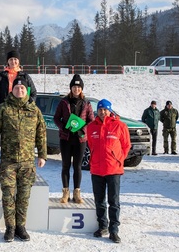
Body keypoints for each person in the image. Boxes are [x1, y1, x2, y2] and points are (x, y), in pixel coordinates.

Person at [0, 77, 47, 242]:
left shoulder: (34, 110)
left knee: (24, 196)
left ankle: (21, 226)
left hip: (28, 162)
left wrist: (42, 155)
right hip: (8, 162)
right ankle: (10, 228)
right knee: (8, 195)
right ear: (11, 90)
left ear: (26, 91)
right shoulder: (3, 109)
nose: (19, 91)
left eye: (22, 89)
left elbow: (41, 133)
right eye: (17, 88)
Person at [87, 99, 131, 244]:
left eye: (105, 109)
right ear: (97, 111)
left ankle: (114, 230)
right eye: (100, 109)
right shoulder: (91, 126)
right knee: (99, 201)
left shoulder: (119, 125)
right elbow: (91, 144)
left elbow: (126, 145)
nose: (102, 112)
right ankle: (103, 226)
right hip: (97, 169)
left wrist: (118, 159)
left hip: (113, 169)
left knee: (113, 201)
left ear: (110, 110)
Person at [53, 74, 94, 204]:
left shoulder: (86, 103)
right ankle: (65, 192)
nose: (76, 89)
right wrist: (63, 128)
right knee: (65, 166)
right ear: (71, 88)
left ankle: (77, 192)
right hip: (66, 139)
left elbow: (91, 120)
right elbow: (56, 118)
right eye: (74, 87)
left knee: (77, 166)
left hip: (80, 140)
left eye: (78, 87)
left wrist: (83, 129)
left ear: (81, 89)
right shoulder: (64, 102)